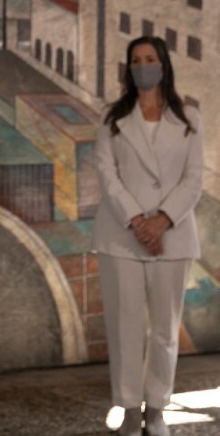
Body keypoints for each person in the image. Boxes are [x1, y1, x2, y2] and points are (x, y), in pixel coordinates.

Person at [92, 35, 203, 436]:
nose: (143, 65)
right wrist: (139, 220)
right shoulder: (111, 118)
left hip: (172, 236)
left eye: (150, 58)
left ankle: (157, 408)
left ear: (164, 64)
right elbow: (108, 176)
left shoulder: (188, 117)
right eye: (136, 60)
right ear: (128, 67)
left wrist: (162, 221)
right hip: (121, 236)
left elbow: (194, 179)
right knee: (125, 326)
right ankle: (129, 409)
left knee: (163, 329)